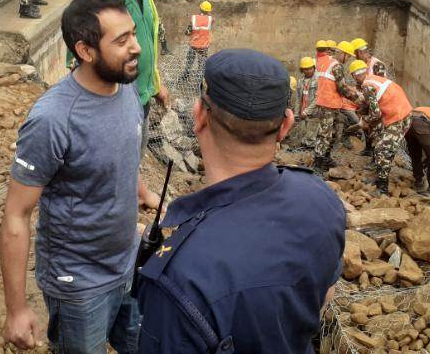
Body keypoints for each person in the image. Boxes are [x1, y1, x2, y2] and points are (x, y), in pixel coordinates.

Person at [136, 49, 345, 354]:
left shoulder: (179, 278)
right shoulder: (321, 199)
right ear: (285, 126)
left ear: (199, 117)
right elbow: (324, 296)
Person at [2, 0, 143, 354]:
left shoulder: (125, 89)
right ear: (85, 50)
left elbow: (118, 158)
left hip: (129, 263)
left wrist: (147, 195)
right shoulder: (53, 120)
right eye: (122, 40)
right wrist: (16, 310)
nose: (136, 47)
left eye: (133, 34)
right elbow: (16, 216)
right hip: (79, 283)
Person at [80, 0, 170, 209]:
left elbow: (147, 39)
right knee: (114, 154)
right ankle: (114, 207)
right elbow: (82, 58)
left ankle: (134, 193)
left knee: (133, 152)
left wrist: (155, 84)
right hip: (114, 97)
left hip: (139, 93)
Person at [305, 40, 354, 172]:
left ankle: (325, 157)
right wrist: (356, 98)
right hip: (329, 103)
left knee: (331, 131)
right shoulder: (336, 66)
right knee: (325, 134)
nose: (348, 59)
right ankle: (318, 163)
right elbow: (342, 88)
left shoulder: (326, 61)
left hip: (326, 102)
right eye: (348, 56)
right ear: (342, 53)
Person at [362, 70, 412, 195]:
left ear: (353, 76)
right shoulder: (373, 79)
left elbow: (376, 113)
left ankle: (383, 187)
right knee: (381, 144)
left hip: (398, 117)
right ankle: (380, 177)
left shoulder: (367, 86)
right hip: (400, 112)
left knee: (382, 149)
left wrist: (364, 121)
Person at [345, 60, 382, 158]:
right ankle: (368, 149)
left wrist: (366, 118)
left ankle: (375, 157)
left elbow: (375, 106)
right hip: (369, 108)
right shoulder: (362, 82)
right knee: (366, 129)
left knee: (374, 131)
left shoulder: (369, 82)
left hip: (376, 110)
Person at [180, 1, 213, 81]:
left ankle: (186, 75)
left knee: (189, 60)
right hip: (204, 46)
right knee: (201, 64)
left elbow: (188, 32)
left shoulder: (194, 18)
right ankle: (199, 82)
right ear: (208, 11)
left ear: (200, 8)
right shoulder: (211, 19)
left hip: (193, 45)